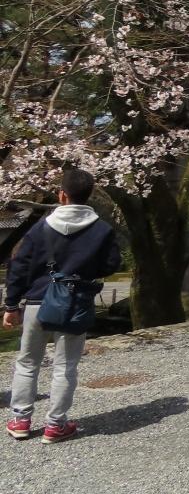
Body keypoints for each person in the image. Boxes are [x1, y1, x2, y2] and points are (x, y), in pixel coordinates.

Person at [4, 167, 122, 443]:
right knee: (65, 366)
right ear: (89, 195)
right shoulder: (102, 229)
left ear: (62, 195)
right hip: (75, 304)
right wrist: (83, 269)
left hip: (37, 303)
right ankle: (55, 425)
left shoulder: (40, 227)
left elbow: (18, 267)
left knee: (27, 362)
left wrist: (11, 306)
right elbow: (111, 264)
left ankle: (20, 420)